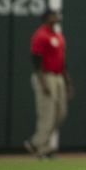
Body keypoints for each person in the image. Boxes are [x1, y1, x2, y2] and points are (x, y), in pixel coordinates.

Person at [25, 10, 71, 159]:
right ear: (46, 18)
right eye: (54, 15)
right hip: (45, 76)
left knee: (60, 113)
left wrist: (68, 82)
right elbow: (36, 61)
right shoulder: (41, 35)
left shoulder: (58, 36)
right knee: (47, 114)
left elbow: (62, 62)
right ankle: (41, 147)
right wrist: (43, 82)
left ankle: (36, 143)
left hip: (58, 77)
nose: (57, 17)